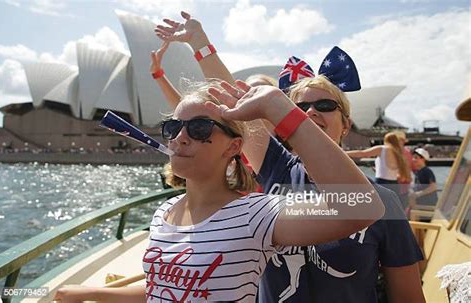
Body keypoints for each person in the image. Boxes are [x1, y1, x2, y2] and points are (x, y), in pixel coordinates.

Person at [154, 11, 425, 303]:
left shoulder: (383, 200)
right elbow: (226, 92)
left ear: (346, 124)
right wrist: (200, 42)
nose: (309, 113)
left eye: (324, 105)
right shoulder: (276, 169)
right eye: (298, 108)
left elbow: (408, 297)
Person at [54, 81, 384, 302]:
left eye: (199, 129)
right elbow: (165, 288)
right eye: (173, 127)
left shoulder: (255, 214)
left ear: (234, 147)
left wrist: (278, 108)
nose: (181, 137)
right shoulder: (163, 215)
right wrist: (92, 292)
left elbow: (361, 208)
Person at [347, 132, 412, 199]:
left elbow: (362, 153)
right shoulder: (399, 153)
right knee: (391, 207)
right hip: (395, 185)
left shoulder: (382, 149)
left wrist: (344, 152)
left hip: (382, 182)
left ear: (386, 140)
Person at [393, 130, 414, 209]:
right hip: (404, 186)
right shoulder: (407, 152)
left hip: (397, 185)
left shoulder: (395, 153)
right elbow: (412, 168)